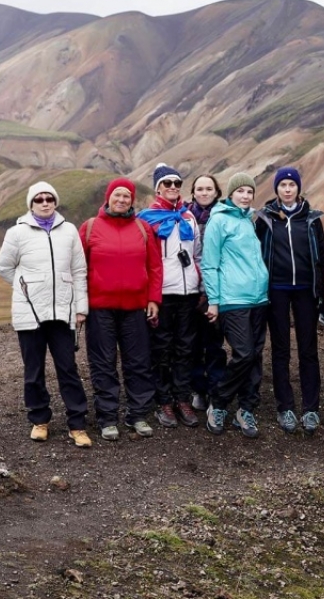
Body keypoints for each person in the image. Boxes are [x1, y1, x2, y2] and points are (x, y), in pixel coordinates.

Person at [0, 181, 91, 447]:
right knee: (33, 370)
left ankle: (78, 424)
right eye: (39, 199)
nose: (45, 203)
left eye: (50, 198)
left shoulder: (69, 231)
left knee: (68, 369)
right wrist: (26, 286)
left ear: (56, 202)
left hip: (62, 313)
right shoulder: (16, 233)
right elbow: (3, 267)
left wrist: (81, 308)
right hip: (30, 313)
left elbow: (79, 270)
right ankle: (40, 420)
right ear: (31, 204)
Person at [79, 178, 163, 441]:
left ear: (132, 200)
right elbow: (78, 268)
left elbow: (154, 266)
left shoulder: (143, 228)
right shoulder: (90, 228)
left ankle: (138, 415)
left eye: (127, 196)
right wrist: (80, 305)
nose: (122, 200)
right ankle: (107, 418)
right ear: (108, 197)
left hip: (135, 306)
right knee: (103, 364)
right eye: (118, 195)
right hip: (100, 308)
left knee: (138, 363)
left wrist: (154, 299)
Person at [253, 166, 324, 436]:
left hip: (306, 291)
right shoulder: (266, 217)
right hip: (276, 290)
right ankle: (285, 406)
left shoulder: (311, 218)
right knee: (281, 349)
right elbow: (256, 253)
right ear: (276, 189)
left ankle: (311, 408)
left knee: (308, 350)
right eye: (282, 185)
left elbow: (322, 258)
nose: (287, 189)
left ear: (298, 188)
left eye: (291, 185)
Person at [201, 173, 269, 438]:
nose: (245, 196)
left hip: (258, 298)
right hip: (232, 298)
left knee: (255, 355)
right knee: (243, 353)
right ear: (230, 194)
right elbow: (210, 263)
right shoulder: (219, 220)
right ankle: (218, 402)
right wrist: (214, 301)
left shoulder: (249, 220)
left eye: (249, 192)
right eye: (240, 191)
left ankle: (247, 408)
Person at [138, 163, 202, 428]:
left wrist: (201, 286)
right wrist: (148, 296)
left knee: (185, 348)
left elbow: (196, 253)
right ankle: (163, 399)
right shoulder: (147, 219)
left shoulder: (189, 217)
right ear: (158, 188)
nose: (173, 188)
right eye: (167, 184)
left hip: (188, 294)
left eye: (177, 183)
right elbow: (143, 259)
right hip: (162, 294)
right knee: (162, 348)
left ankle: (182, 398)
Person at [186, 174, 228, 411]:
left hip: (216, 289)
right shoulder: (184, 217)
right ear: (193, 192)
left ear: (216, 192)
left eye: (208, 189)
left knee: (214, 343)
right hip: (191, 289)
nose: (204, 193)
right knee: (192, 344)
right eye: (199, 188)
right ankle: (198, 389)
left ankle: (215, 390)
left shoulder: (223, 217)